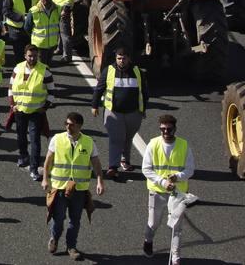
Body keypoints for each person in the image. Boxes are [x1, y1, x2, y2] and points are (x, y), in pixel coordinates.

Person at [43, 111, 105, 258]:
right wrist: (45, 179)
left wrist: (100, 181)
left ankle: (71, 247)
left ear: (79, 126)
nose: (68, 127)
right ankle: (54, 238)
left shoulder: (89, 142)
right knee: (58, 219)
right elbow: (48, 161)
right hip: (59, 187)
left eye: (71, 124)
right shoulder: (57, 139)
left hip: (79, 189)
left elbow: (96, 163)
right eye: (66, 124)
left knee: (75, 220)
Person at [143, 114, 194, 263]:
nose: (165, 132)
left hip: (177, 193)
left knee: (176, 227)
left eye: (169, 129)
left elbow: (190, 169)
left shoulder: (184, 145)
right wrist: (163, 182)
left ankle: (176, 257)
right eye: (162, 129)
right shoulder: (153, 144)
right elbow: (146, 169)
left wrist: (177, 177)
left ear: (175, 129)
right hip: (157, 191)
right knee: (153, 223)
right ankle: (148, 240)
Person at [92, 46, 148, 175]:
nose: (121, 61)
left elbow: (144, 92)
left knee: (128, 138)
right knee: (116, 139)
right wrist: (94, 105)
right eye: (119, 58)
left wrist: (143, 108)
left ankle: (125, 160)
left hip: (133, 113)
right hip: (114, 112)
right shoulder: (109, 71)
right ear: (115, 58)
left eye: (123, 58)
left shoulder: (138, 71)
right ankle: (113, 166)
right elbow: (99, 89)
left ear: (128, 58)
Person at [10, 45, 54, 181]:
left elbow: (52, 91)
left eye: (35, 56)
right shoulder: (17, 68)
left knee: (35, 140)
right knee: (21, 137)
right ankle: (23, 156)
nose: (32, 58)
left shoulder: (45, 71)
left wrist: (44, 107)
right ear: (25, 56)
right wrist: (12, 105)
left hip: (36, 112)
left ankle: (34, 168)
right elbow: (11, 88)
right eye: (29, 55)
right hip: (20, 111)